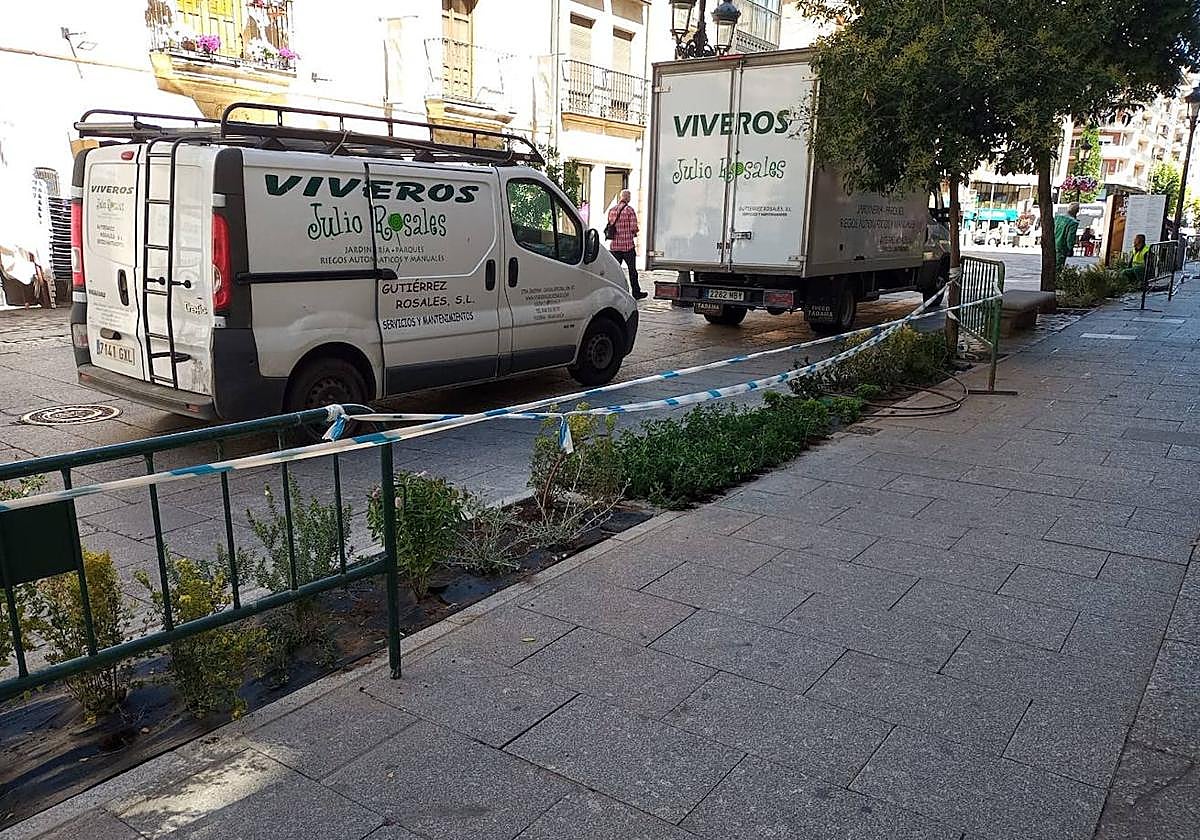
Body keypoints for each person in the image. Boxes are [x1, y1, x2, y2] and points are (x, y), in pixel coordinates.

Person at [606, 189, 646, 299]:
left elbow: (610, 225)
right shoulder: (629, 210)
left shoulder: (612, 210)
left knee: (614, 271)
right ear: (627, 198)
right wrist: (633, 232)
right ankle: (636, 292)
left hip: (615, 246)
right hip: (628, 246)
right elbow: (634, 227)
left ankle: (613, 292)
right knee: (632, 271)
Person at [1053, 202, 1081, 273]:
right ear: (1077, 211)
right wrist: (1070, 248)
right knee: (1058, 268)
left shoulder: (1058, 217)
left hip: (1052, 244)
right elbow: (1070, 237)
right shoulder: (1073, 222)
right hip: (1062, 247)